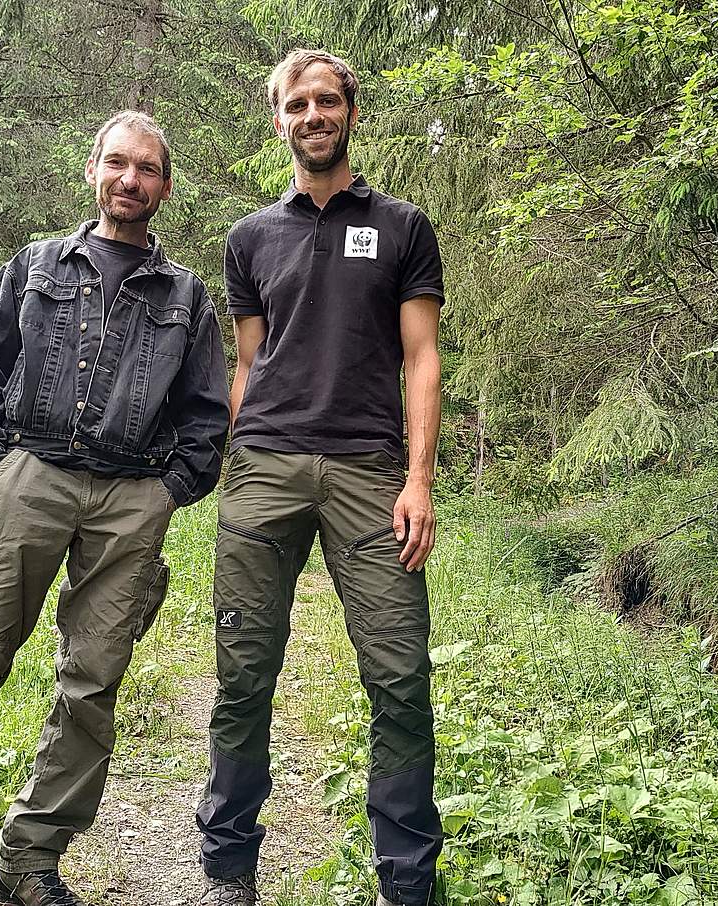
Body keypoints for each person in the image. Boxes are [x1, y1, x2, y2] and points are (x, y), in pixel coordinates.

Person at [0, 111, 230, 906]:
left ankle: (31, 860)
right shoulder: (36, 265)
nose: (130, 179)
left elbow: (208, 413)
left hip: (129, 496)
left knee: (92, 685)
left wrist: (168, 492)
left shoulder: (184, 295)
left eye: (146, 168)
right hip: (27, 477)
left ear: (165, 187)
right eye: (117, 163)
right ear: (93, 171)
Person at [196, 49, 444, 906]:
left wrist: (418, 479)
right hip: (263, 467)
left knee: (400, 676)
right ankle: (229, 870)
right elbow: (249, 364)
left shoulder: (404, 225)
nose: (312, 115)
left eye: (326, 101)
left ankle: (406, 884)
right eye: (296, 104)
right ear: (280, 121)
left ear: (350, 112)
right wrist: (228, 460)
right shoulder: (249, 239)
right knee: (242, 676)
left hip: (371, 473)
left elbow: (421, 358)